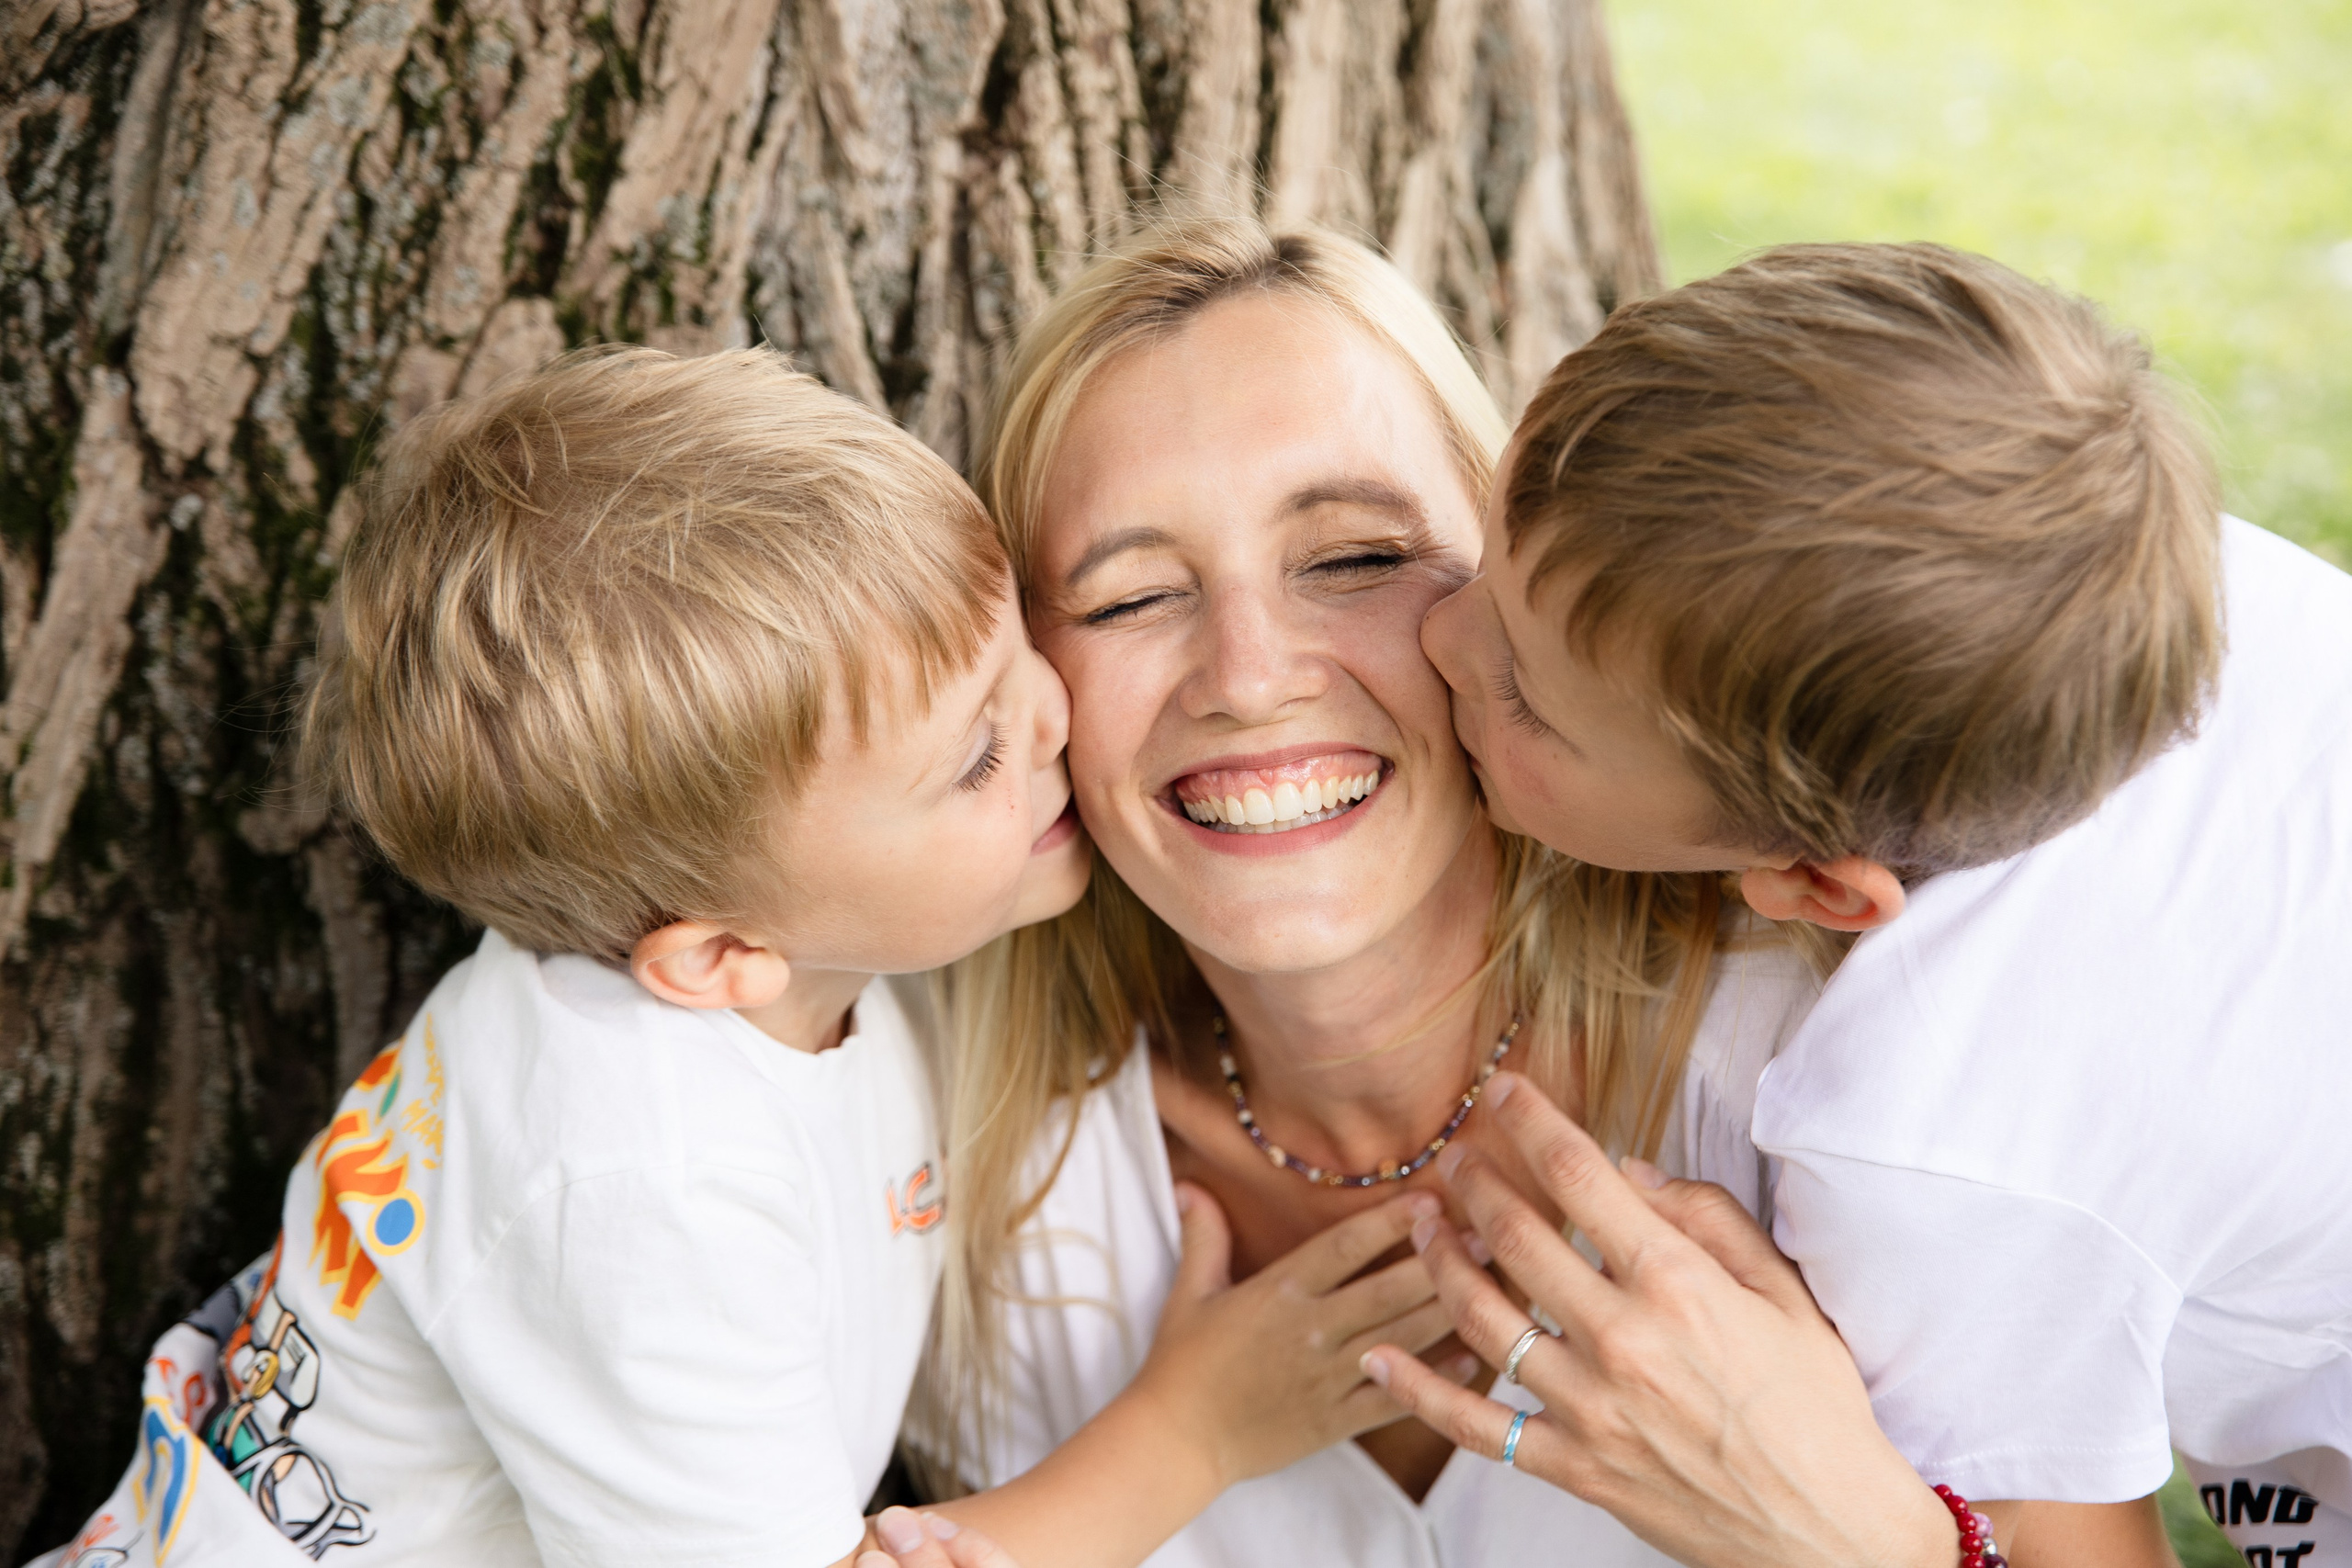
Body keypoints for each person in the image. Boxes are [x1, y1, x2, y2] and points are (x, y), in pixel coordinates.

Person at [32, 348, 1461, 1568]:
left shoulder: (750, 913)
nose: (1050, 718)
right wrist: (1195, 1429)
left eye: (1004, 647)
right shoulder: (641, 1179)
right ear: (718, 955)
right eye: (972, 759)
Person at [1385, 242, 2352, 1567]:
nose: (1440, 638)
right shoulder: (2182, 583)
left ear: (1817, 887)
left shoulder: (1930, 1158)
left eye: (1524, 697)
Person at [906, 216, 1826, 1568]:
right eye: (1130, 598)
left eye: (1353, 559)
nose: (1250, 673)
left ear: (1507, 588)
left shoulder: (1804, 1063)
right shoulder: (974, 1164)